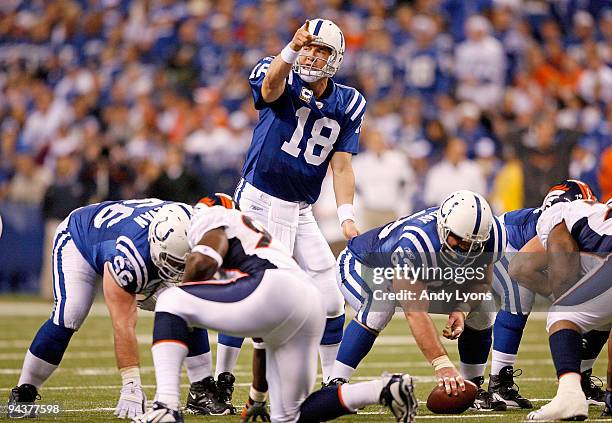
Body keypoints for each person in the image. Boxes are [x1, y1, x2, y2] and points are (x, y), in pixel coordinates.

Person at [133, 198, 417, 423]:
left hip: (273, 287)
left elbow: (208, 255)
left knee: (171, 300)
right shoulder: (257, 241)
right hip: (306, 303)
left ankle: (166, 405)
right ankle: (383, 389)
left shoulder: (210, 216)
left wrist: (188, 287)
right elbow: (261, 344)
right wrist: (257, 397)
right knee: (289, 415)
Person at [221, 17, 367, 410]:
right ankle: (219, 382)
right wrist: (290, 47)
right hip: (259, 199)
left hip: (300, 209)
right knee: (254, 296)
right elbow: (270, 87)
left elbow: (341, 166)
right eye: (309, 47)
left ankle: (331, 382)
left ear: (335, 58)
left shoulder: (350, 102)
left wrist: (346, 216)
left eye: (322, 50)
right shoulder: (278, 69)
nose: (312, 55)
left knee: (332, 299)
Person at [7, 200, 219, 419]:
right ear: (157, 248)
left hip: (131, 234)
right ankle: (24, 391)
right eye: (173, 263)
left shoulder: (189, 221)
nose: (179, 271)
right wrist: (131, 383)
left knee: (187, 305)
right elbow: (123, 323)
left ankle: (201, 391)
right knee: (70, 313)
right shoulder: (128, 258)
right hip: (79, 238)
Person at [330, 190, 506, 410]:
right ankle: (334, 383)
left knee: (484, 307)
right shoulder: (415, 242)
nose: (465, 250)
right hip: (364, 265)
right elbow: (415, 311)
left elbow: (481, 282)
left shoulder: (492, 235)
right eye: (459, 241)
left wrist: (461, 309)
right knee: (380, 303)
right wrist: (441, 364)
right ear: (443, 228)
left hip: (429, 275)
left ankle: (473, 387)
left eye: (473, 245)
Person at [488, 180, 607, 408]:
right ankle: (498, 383)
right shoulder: (558, 225)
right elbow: (520, 268)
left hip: (528, 260)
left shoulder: (585, 227)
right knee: (519, 295)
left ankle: (582, 380)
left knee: (597, 309)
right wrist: (563, 299)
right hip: (505, 248)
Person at [526, 198, 612, 420]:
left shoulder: (559, 214)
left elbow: (562, 271)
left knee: (562, 312)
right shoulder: (593, 217)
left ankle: (570, 396)